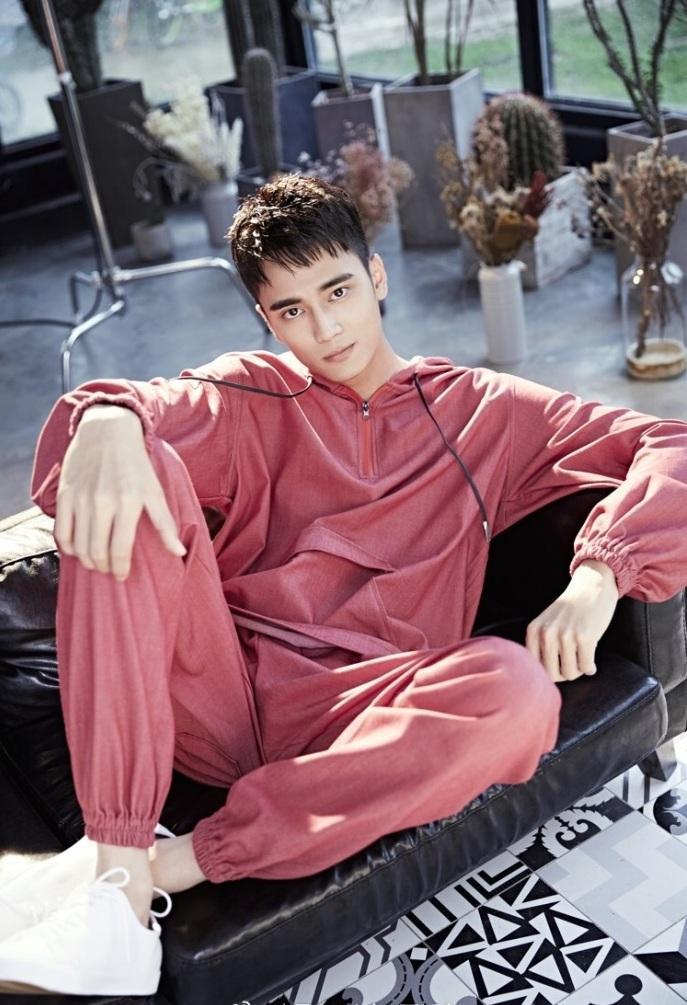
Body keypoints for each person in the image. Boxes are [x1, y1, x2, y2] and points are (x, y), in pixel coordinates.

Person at [2, 173, 687, 996]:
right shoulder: (246, 394)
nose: (324, 328)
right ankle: (115, 888)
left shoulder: (484, 411)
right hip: (221, 699)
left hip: (370, 713)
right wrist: (109, 416)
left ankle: (164, 866)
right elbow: (94, 454)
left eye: (337, 291)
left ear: (376, 275)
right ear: (267, 318)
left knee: (515, 690)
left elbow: (670, 445)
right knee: (127, 461)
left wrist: (599, 574)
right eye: (291, 310)